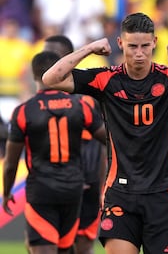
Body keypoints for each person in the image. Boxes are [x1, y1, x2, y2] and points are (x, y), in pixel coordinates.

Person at [42, 12, 168, 254]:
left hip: (162, 194)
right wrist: (89, 48)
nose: (139, 53)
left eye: (144, 45)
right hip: (120, 195)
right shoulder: (105, 80)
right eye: (132, 46)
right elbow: (51, 79)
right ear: (120, 44)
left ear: (154, 42)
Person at [2, 51, 106, 254]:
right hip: (73, 190)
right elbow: (108, 141)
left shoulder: (24, 111)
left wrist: (6, 192)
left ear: (34, 76)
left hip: (41, 190)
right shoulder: (80, 106)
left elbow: (11, 163)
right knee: (66, 250)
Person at [43, 34, 107, 254]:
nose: (47, 60)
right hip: (48, 184)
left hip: (84, 184)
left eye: (52, 55)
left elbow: (103, 143)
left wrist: (101, 185)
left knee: (81, 245)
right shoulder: (37, 101)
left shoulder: (85, 96)